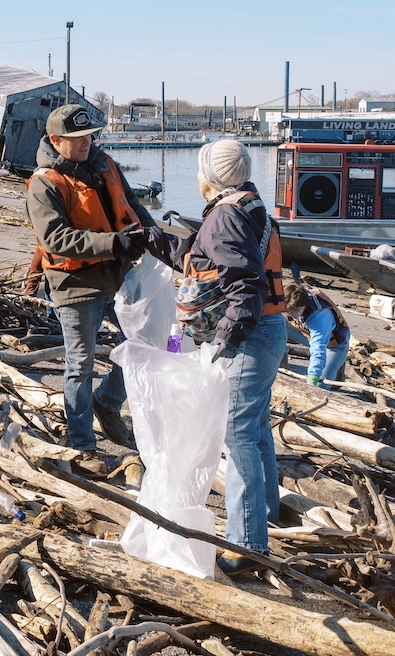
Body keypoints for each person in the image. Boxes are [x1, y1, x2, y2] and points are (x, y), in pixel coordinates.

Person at [24, 104, 161, 467]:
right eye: (77, 138)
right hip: (75, 283)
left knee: (144, 343)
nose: (86, 143)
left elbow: (131, 204)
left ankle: (108, 401)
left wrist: (155, 238)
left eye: (89, 135)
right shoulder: (44, 183)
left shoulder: (104, 164)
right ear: (56, 140)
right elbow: (55, 238)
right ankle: (83, 444)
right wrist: (114, 243)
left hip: (119, 274)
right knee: (80, 364)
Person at [177, 138, 288, 564]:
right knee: (256, 430)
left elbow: (244, 283)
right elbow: (209, 259)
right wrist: (151, 240)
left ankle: (247, 544)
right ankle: (267, 519)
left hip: (252, 334)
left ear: (210, 176)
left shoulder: (224, 215)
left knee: (238, 435)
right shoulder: (251, 206)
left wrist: (227, 335)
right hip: (270, 328)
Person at [283, 281, 350, 386]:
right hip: (308, 334)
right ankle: (280, 363)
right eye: (288, 311)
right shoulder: (289, 302)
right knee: (275, 323)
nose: (292, 315)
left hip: (334, 345)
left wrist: (312, 379)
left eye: (295, 311)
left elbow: (318, 350)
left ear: (304, 304)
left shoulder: (319, 317)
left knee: (320, 387)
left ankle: (336, 367)